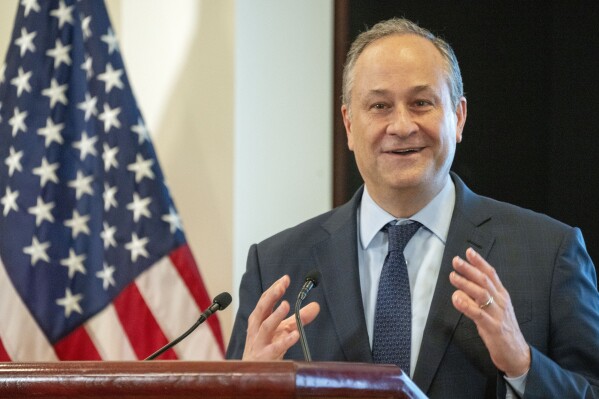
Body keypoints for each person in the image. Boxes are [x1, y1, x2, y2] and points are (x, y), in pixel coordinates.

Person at [226, 17, 599, 398]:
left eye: (421, 103)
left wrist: (522, 365)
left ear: (458, 117)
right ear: (349, 125)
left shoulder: (549, 254)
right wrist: (244, 388)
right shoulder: (276, 266)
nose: (402, 126)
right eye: (379, 105)